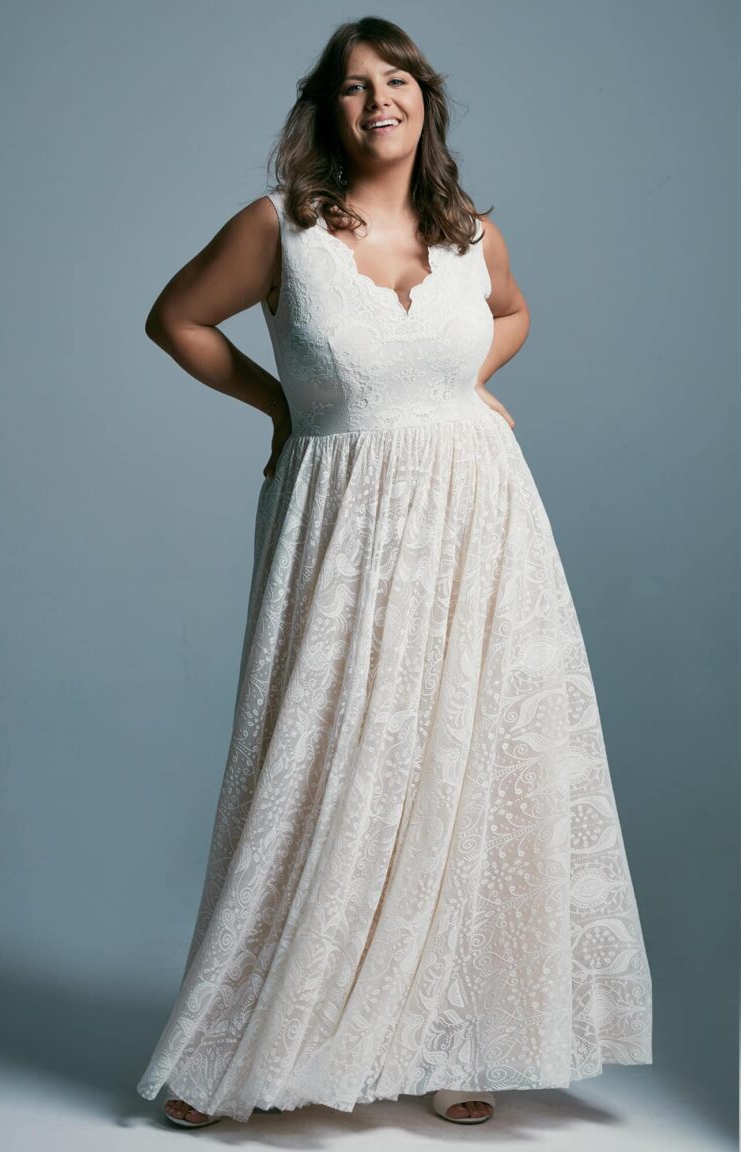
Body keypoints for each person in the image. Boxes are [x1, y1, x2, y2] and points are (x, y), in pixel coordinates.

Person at [136, 15, 653, 1131]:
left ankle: (455, 1036)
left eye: (398, 78)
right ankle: (237, 1049)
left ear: (426, 97)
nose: (379, 99)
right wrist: (282, 407)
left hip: (484, 525)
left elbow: (510, 312)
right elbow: (174, 319)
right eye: (354, 85)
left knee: (470, 764)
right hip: (344, 531)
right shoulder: (278, 229)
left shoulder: (473, 236)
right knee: (323, 768)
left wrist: (461, 385)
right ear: (326, 111)